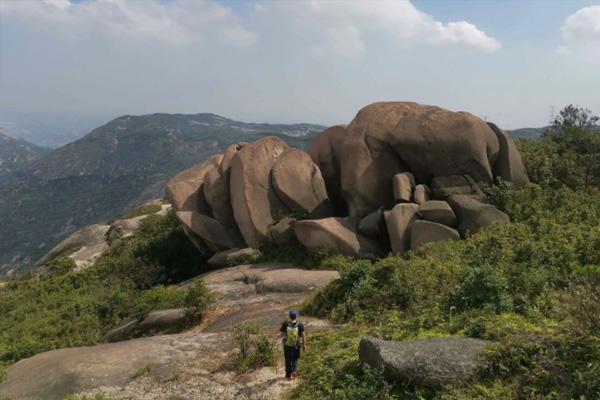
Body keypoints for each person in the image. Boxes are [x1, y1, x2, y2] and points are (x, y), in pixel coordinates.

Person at [278, 310, 306, 380]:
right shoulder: (300, 325)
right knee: (295, 360)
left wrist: (279, 337)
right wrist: (304, 345)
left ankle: (287, 375)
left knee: (287, 360)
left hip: (287, 345)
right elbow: (303, 335)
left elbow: (280, 334)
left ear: (290, 316)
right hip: (296, 346)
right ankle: (294, 374)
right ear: (296, 316)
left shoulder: (286, 324)